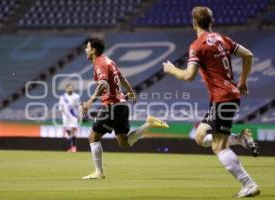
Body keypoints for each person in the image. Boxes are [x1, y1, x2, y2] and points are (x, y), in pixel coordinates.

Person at [163, 6, 260, 198]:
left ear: (194, 23)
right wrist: (242, 82)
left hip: (223, 98)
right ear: (211, 22)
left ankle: (249, 185)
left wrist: (172, 69)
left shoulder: (197, 45)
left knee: (218, 146)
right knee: (200, 136)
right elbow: (248, 54)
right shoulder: (222, 39)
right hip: (226, 96)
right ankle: (240, 138)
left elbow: (189, 76)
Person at [80, 37, 169, 179]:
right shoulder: (109, 61)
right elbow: (121, 78)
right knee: (124, 142)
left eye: (88, 47)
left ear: (94, 50)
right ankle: (148, 124)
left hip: (112, 106)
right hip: (122, 105)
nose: (86, 49)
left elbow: (102, 84)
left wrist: (90, 101)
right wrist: (131, 92)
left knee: (93, 137)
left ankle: (99, 172)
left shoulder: (99, 63)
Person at [58, 84, 81, 152]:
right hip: (65, 117)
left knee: (73, 131)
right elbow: (60, 107)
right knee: (68, 133)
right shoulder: (62, 97)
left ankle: (73, 147)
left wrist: (79, 114)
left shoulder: (76, 96)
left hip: (74, 116)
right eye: (68, 88)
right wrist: (62, 111)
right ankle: (70, 147)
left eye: (71, 88)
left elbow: (79, 106)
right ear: (66, 89)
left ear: (73, 89)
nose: (70, 89)